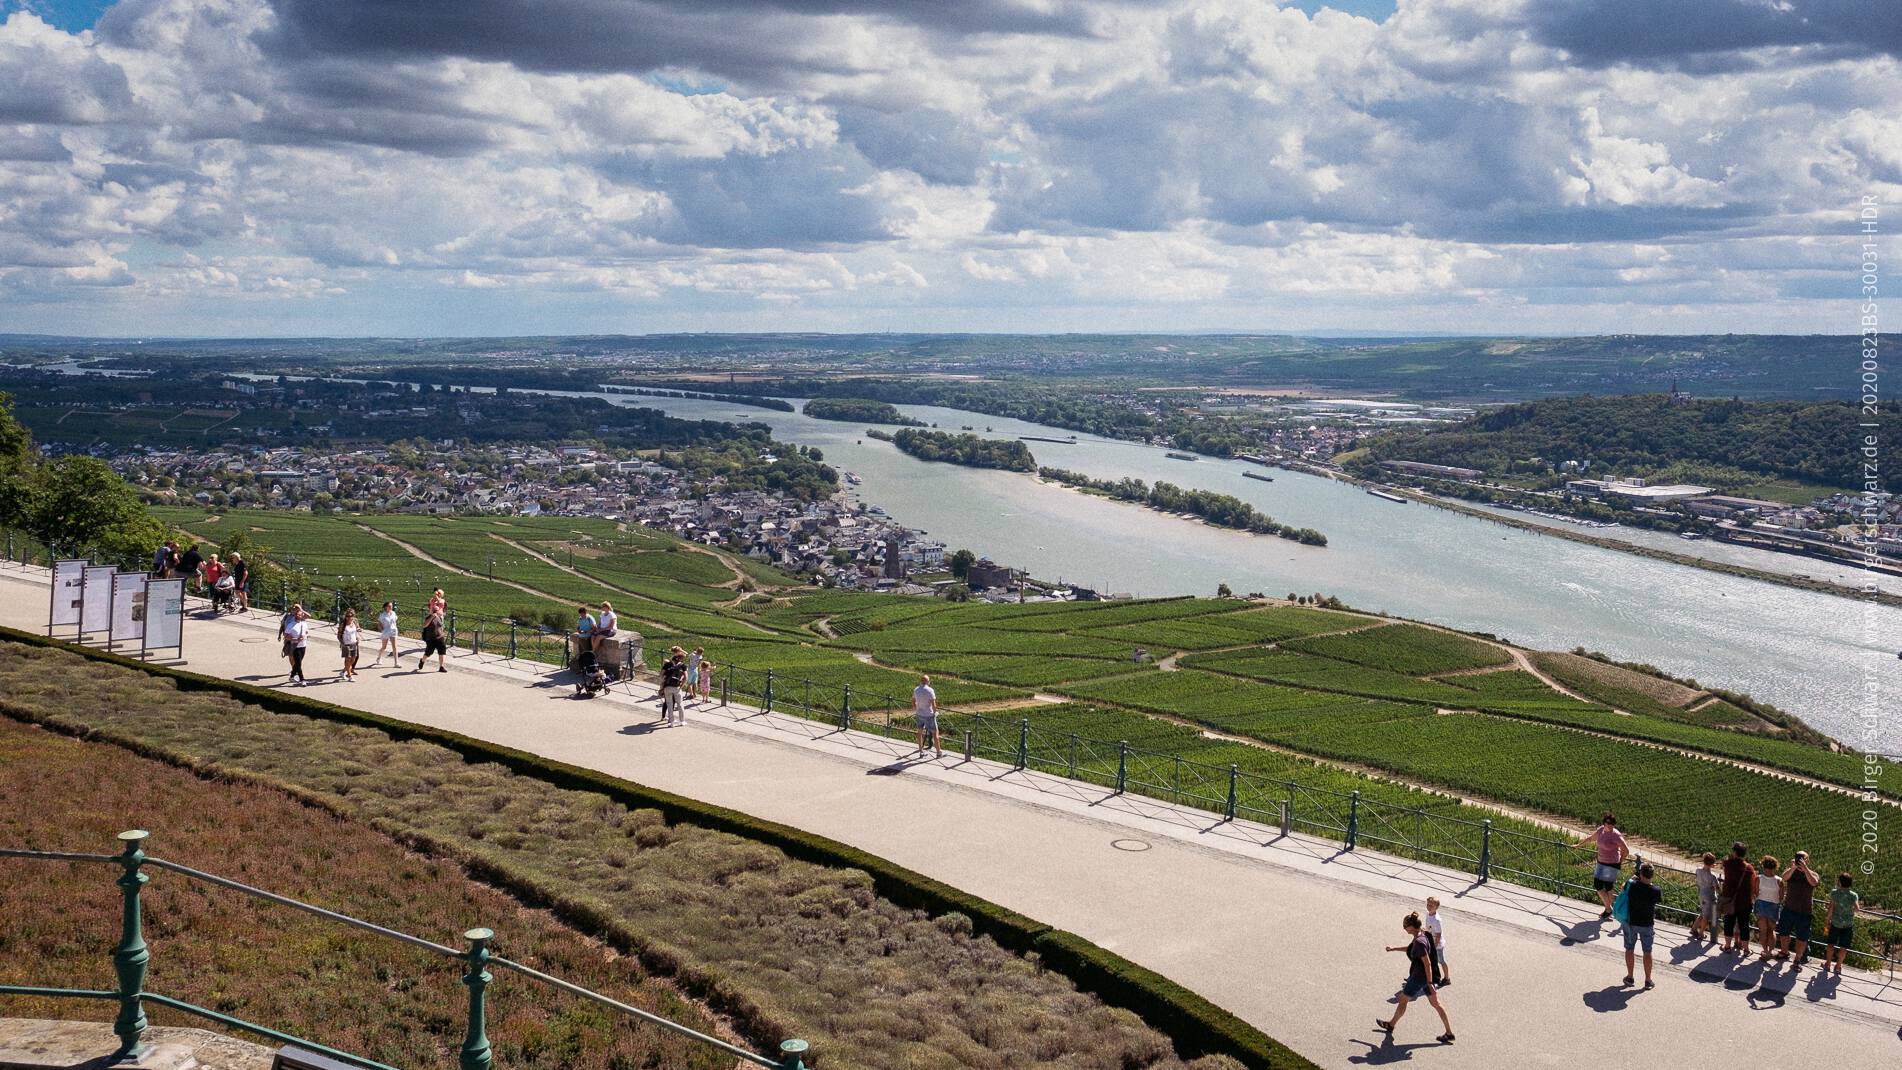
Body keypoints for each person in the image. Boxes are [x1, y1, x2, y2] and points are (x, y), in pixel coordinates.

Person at [1375, 912, 1453, 1044]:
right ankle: (1449, 1032)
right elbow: (1412, 949)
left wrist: (1429, 983)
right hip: (1426, 978)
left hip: (1419, 978)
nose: (1404, 928)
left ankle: (1391, 1025)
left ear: (1411, 927)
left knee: (1403, 999)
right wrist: (1394, 948)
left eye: (1405, 926)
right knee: (1436, 1004)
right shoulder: (1423, 935)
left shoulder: (1419, 942)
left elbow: (1427, 963)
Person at [1575, 812, 1630, 920]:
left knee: (1604, 886)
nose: (1610, 825)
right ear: (1604, 822)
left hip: (1611, 864)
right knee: (1602, 886)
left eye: (1612, 823)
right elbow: (1591, 838)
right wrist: (1578, 845)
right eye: (1608, 823)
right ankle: (1609, 909)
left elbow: (1626, 851)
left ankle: (1609, 910)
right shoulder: (1600, 830)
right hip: (1601, 862)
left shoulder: (1616, 835)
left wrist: (1619, 862)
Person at [1776, 850, 1819, 968]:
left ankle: (1797, 959)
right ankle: (1784, 952)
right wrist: (1793, 868)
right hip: (1789, 908)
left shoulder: (1813, 873)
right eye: (1798, 858)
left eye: (1802, 858)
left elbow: (1814, 883)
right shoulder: (1791, 871)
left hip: (1805, 911)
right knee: (1783, 933)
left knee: (1802, 937)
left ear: (1807, 860)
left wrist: (1805, 870)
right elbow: (1784, 878)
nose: (1800, 860)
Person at [1622, 863, 1662, 989]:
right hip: (1647, 924)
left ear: (1640, 874)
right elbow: (1657, 900)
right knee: (1647, 951)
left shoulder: (1632, 885)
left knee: (1629, 948)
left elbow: (1623, 887)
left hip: (1631, 922)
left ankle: (1630, 977)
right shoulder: (1656, 890)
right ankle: (1648, 980)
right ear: (1652, 875)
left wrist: (1633, 878)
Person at [1721, 842, 1757, 954]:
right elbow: (1753, 884)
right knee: (1744, 925)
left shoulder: (1728, 864)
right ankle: (1746, 949)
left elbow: (1725, 870)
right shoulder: (1749, 868)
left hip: (1729, 900)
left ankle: (1727, 946)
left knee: (1729, 923)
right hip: (1744, 902)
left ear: (1734, 852)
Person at [1823, 873, 1859, 975]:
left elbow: (1831, 908)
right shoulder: (1853, 895)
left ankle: (1828, 964)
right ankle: (1838, 967)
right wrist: (1849, 910)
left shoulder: (1834, 893)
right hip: (1847, 925)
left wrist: (1827, 920)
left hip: (1835, 923)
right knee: (1844, 947)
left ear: (1839, 882)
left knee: (1830, 944)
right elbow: (1857, 909)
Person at [1754, 856, 1783, 959]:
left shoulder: (1758, 878)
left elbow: (1756, 893)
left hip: (1761, 904)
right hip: (1773, 906)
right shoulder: (1779, 881)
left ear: (1763, 865)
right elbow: (1781, 897)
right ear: (1775, 867)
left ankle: (1765, 951)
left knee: (1763, 930)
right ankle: (1770, 951)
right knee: (1771, 931)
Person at [1423, 897, 1451, 986]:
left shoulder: (1437, 920)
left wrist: (1434, 947)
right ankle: (1425, 977)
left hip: (1437, 945)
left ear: (1436, 907)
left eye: (1431, 905)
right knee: (1428, 961)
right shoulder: (1428, 914)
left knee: (1441, 961)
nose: (1429, 906)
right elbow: (1429, 927)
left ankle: (1447, 978)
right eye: (1428, 904)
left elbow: (1438, 935)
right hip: (1430, 942)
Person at [1693, 851, 1720, 942]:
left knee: (1703, 912)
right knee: (1706, 917)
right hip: (1709, 897)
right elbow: (1718, 889)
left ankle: (1694, 928)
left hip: (1701, 894)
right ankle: (1701, 934)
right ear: (1712, 864)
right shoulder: (1712, 876)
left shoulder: (1698, 870)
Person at [913, 674, 940, 758]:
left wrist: (916, 709)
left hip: (919, 714)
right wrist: (935, 713)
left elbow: (913, 701)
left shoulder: (916, 690)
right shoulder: (930, 690)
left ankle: (921, 751)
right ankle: (939, 752)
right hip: (929, 715)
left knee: (919, 732)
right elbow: (933, 704)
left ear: (921, 681)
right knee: (935, 733)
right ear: (928, 681)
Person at [283, 604, 310, 686]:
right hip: (294, 646)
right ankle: (302, 680)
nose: (298, 615)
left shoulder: (304, 623)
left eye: (299, 614)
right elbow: (286, 635)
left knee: (299, 662)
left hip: (303, 645)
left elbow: (307, 632)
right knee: (298, 663)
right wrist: (295, 639)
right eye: (296, 614)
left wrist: (305, 636)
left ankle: (292, 676)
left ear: (302, 615)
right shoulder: (291, 624)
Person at [418, 604, 448, 673]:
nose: (435, 612)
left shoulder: (440, 617)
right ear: (431, 611)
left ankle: (441, 667)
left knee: (442, 652)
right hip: (431, 638)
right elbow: (424, 625)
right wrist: (432, 617)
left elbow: (441, 626)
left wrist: (442, 633)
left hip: (440, 637)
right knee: (428, 653)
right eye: (434, 610)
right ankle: (422, 661)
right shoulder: (428, 617)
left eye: (436, 610)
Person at [660, 649, 687, 726]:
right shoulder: (682, 666)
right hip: (676, 687)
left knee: (669, 704)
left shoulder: (667, 664)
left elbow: (661, 675)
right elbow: (686, 677)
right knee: (680, 704)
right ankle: (682, 721)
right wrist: (681, 686)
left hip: (667, 687)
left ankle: (671, 722)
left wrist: (662, 686)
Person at [336, 608, 360, 682]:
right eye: (348, 616)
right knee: (347, 659)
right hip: (346, 644)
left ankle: (343, 672)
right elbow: (338, 635)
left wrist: (358, 637)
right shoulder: (343, 625)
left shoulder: (355, 622)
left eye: (351, 616)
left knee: (353, 659)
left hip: (354, 643)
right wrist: (342, 643)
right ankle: (350, 676)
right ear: (345, 617)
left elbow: (356, 631)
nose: (349, 617)